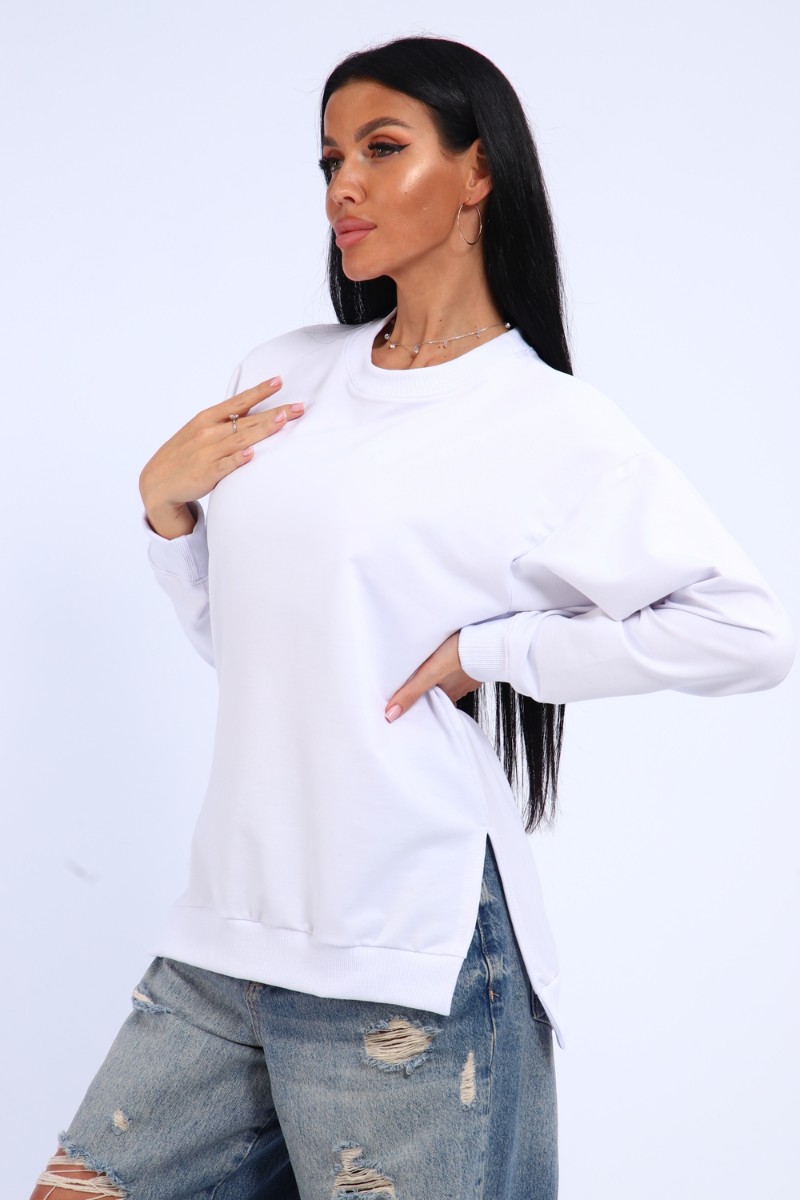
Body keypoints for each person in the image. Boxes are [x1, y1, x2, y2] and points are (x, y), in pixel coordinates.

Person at [31, 34, 793, 1200]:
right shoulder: (282, 378)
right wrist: (166, 512)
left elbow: (747, 632)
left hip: (406, 948)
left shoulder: (544, 423)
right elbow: (256, 650)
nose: (343, 185)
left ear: (477, 171)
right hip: (228, 933)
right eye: (329, 158)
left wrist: (496, 650)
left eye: (381, 149)